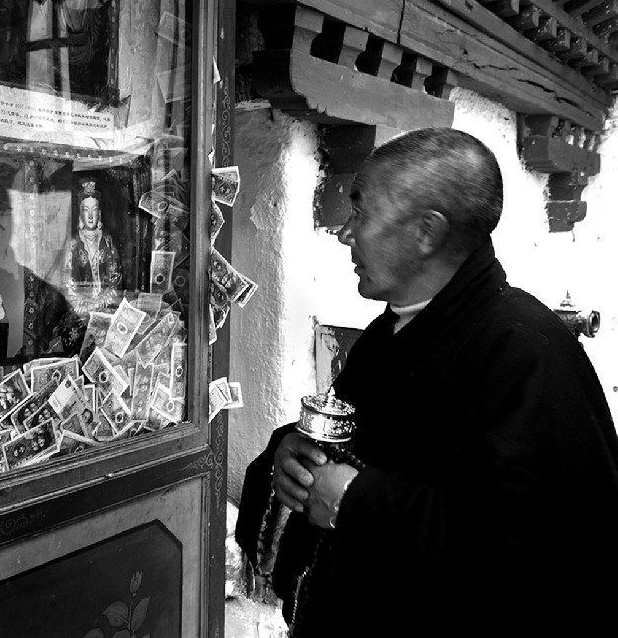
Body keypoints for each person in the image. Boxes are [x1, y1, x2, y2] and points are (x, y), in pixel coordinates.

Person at [239, 128, 618, 637]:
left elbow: (541, 550)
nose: (345, 233)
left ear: (427, 233)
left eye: (360, 212)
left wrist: (359, 503)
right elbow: (372, 443)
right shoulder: (392, 333)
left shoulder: (527, 351)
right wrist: (292, 455)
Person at [63, 178, 122, 306]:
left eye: (94, 209)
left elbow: (115, 280)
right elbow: (69, 284)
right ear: (80, 215)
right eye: (85, 210)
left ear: (99, 214)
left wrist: (103, 299)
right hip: (82, 305)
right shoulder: (73, 244)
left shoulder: (107, 241)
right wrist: (83, 302)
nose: (90, 216)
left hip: (105, 302)